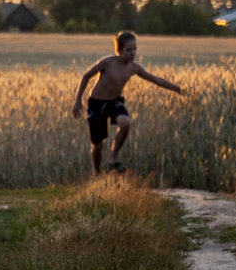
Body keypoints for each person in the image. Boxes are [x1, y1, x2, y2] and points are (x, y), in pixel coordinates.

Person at [70, 31, 182, 174]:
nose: (133, 53)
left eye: (135, 49)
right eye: (129, 50)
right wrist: (78, 101)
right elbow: (86, 76)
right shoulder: (107, 63)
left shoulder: (134, 68)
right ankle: (96, 172)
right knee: (97, 145)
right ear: (119, 50)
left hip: (114, 102)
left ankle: (113, 157)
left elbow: (156, 80)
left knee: (125, 122)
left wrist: (177, 89)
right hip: (96, 104)